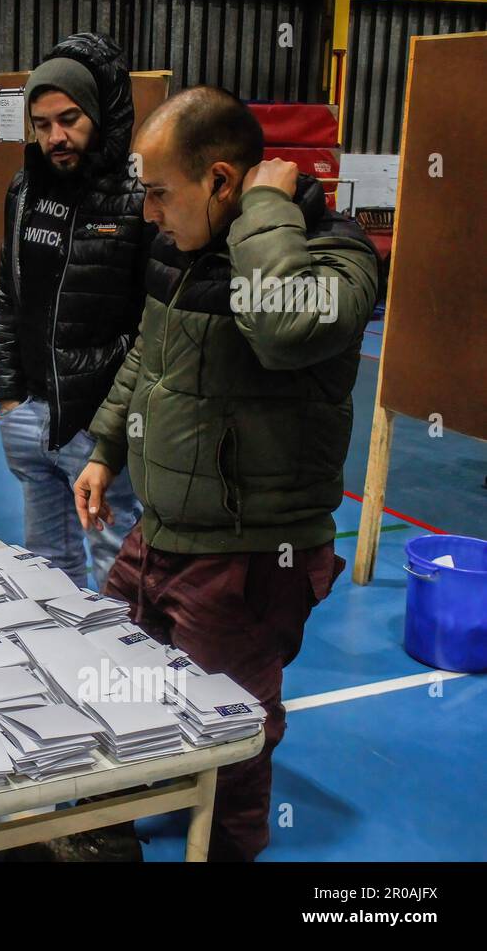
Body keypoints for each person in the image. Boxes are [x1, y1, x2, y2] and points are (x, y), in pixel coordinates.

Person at [73, 86, 379, 861]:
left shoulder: (335, 255)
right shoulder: (182, 251)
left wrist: (266, 213)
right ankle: (104, 823)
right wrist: (107, 446)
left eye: (159, 194)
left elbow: (284, 327)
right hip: (163, 531)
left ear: (220, 181)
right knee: (117, 674)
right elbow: (149, 357)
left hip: (251, 552)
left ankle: (228, 848)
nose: (148, 215)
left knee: (232, 726)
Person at [0, 33, 149, 591]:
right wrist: (10, 398)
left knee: (115, 562)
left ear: (98, 114)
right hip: (29, 414)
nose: (56, 136)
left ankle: (124, 672)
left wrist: (111, 431)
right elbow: (9, 295)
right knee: (45, 569)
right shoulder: (24, 190)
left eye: (69, 119)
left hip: (95, 426)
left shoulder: (137, 197)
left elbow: (149, 323)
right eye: (42, 124)